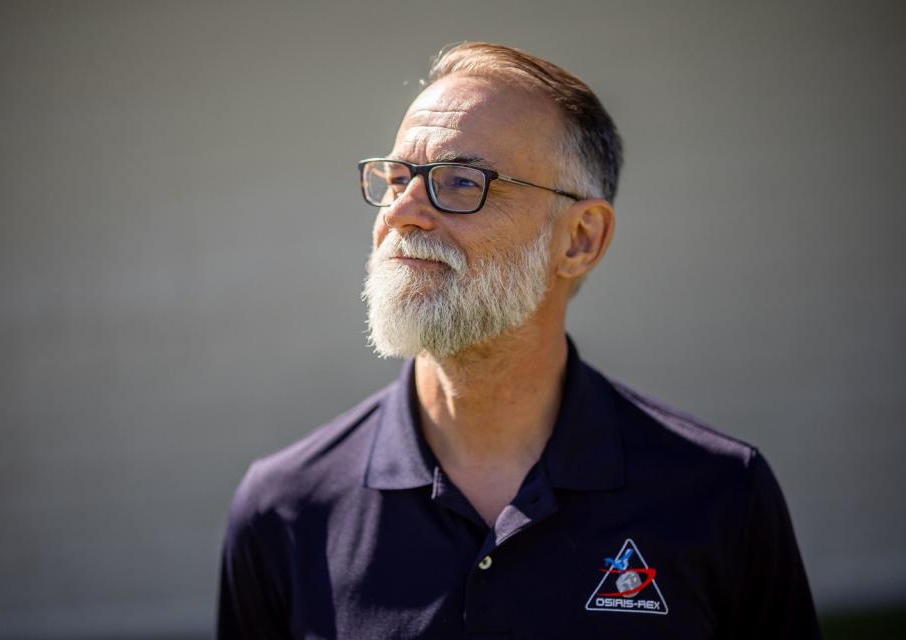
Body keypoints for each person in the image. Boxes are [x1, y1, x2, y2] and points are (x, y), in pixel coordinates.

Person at [217, 42, 820, 639]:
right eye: (397, 178)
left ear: (580, 239)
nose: (403, 211)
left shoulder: (717, 493)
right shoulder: (285, 509)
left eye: (460, 181)